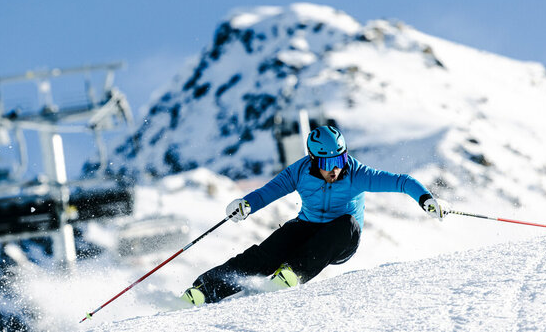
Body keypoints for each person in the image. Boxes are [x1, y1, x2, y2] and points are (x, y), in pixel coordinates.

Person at [181, 125, 445, 305]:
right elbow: (268, 191)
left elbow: (402, 181)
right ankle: (205, 289)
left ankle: (292, 273)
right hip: (307, 227)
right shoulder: (299, 172)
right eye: (329, 164)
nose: (336, 170)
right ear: (314, 160)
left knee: (347, 223)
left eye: (340, 161)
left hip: (340, 240)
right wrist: (246, 205)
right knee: (265, 254)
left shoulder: (356, 174)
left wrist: (425, 199)